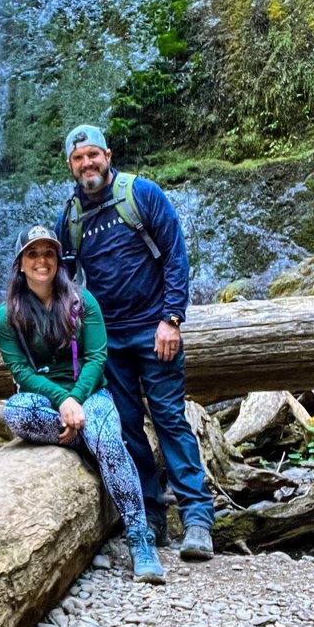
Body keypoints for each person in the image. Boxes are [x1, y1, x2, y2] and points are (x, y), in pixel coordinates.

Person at [56, 124, 215, 560]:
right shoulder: (70, 218)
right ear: (70, 165)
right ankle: (152, 517)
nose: (87, 163)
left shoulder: (141, 194)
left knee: (169, 418)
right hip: (108, 340)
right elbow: (63, 284)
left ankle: (197, 519)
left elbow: (175, 255)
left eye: (93, 155)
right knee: (127, 426)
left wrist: (172, 318)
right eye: (78, 158)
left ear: (107, 155)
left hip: (154, 329)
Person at [0, 224, 165, 584]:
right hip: (45, 400)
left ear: (58, 260)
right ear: (21, 263)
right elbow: (20, 370)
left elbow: (96, 356)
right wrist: (62, 401)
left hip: (90, 395)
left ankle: (140, 538)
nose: (42, 261)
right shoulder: (8, 315)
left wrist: (75, 399)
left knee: (110, 442)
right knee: (15, 411)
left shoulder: (82, 301)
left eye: (49, 253)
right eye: (33, 254)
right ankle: (84, 438)